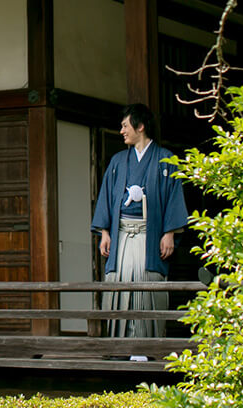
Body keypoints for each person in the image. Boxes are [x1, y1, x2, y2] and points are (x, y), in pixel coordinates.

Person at [91, 103, 188, 341]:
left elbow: (173, 197)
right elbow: (106, 196)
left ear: (140, 126)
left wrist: (169, 233)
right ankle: (119, 345)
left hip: (150, 234)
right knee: (120, 286)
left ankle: (146, 345)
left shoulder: (166, 159)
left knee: (147, 285)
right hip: (122, 233)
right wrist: (105, 231)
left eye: (125, 126)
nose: (122, 131)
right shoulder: (117, 161)